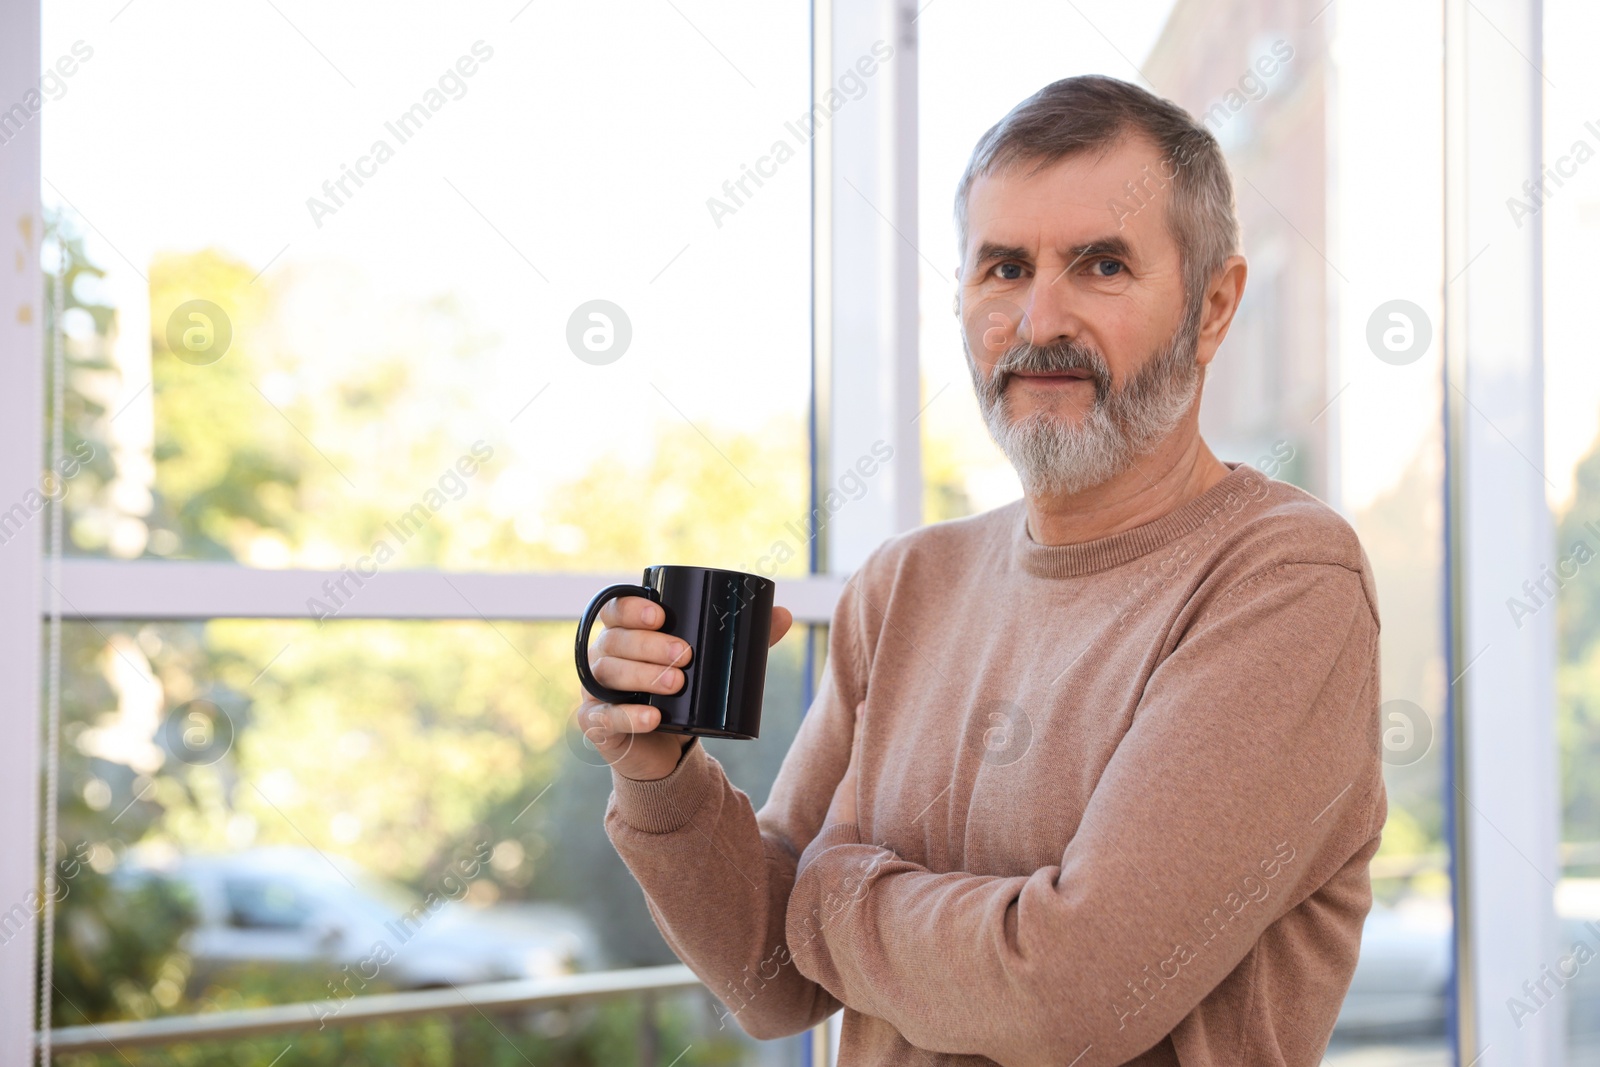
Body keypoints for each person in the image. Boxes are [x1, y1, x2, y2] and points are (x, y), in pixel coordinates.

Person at [579, 74, 1385, 1066]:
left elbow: (1074, 994)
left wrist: (826, 894)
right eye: (1003, 268)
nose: (1039, 320)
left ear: (1211, 307)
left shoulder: (1283, 580)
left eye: (1100, 265)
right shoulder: (906, 582)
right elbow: (769, 980)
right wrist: (659, 774)